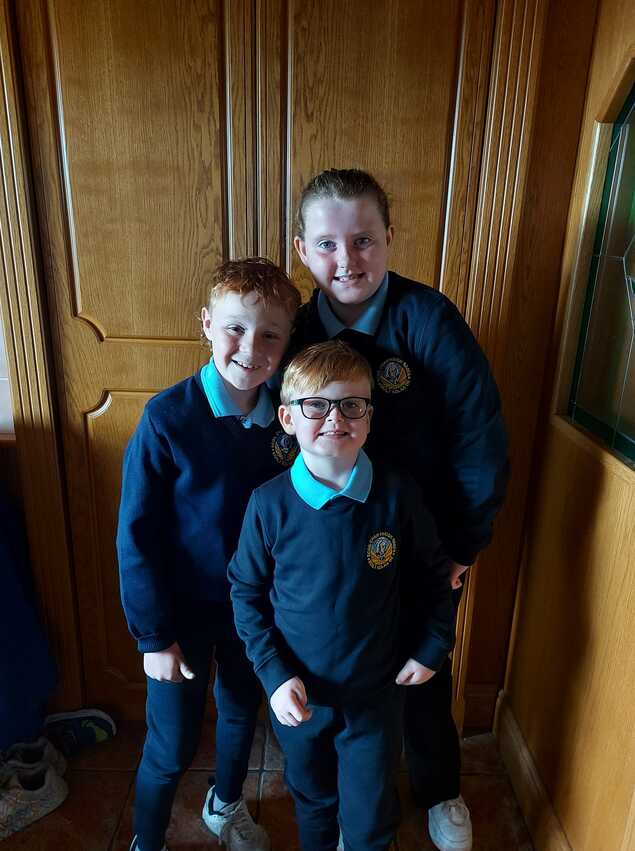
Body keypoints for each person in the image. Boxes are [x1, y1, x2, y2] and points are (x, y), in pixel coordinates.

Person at [290, 168, 509, 851]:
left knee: (424, 667)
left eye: (363, 240)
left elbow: (478, 433)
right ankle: (340, 802)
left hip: (422, 542)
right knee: (333, 668)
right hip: (328, 543)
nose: (346, 259)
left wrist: (465, 542)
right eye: (327, 244)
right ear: (302, 249)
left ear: (388, 237)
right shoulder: (293, 330)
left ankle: (439, 787)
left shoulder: (429, 318)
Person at [229, 340, 456, 851]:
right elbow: (245, 593)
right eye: (316, 405)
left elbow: (432, 576)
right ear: (288, 418)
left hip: (376, 695)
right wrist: (273, 674)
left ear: (370, 418)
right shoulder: (267, 505)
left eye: (352, 404)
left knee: (371, 816)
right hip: (299, 697)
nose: (335, 417)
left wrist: (432, 646)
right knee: (313, 803)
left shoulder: (398, 494)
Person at [116, 257, 301, 851]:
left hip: (254, 610)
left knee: (241, 714)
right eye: (235, 329)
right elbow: (136, 536)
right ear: (206, 324)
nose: (251, 348)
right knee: (170, 744)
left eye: (270, 335)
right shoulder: (167, 418)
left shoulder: (290, 417)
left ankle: (225, 804)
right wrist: (153, 637)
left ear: (287, 342)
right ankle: (148, 839)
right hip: (181, 614)